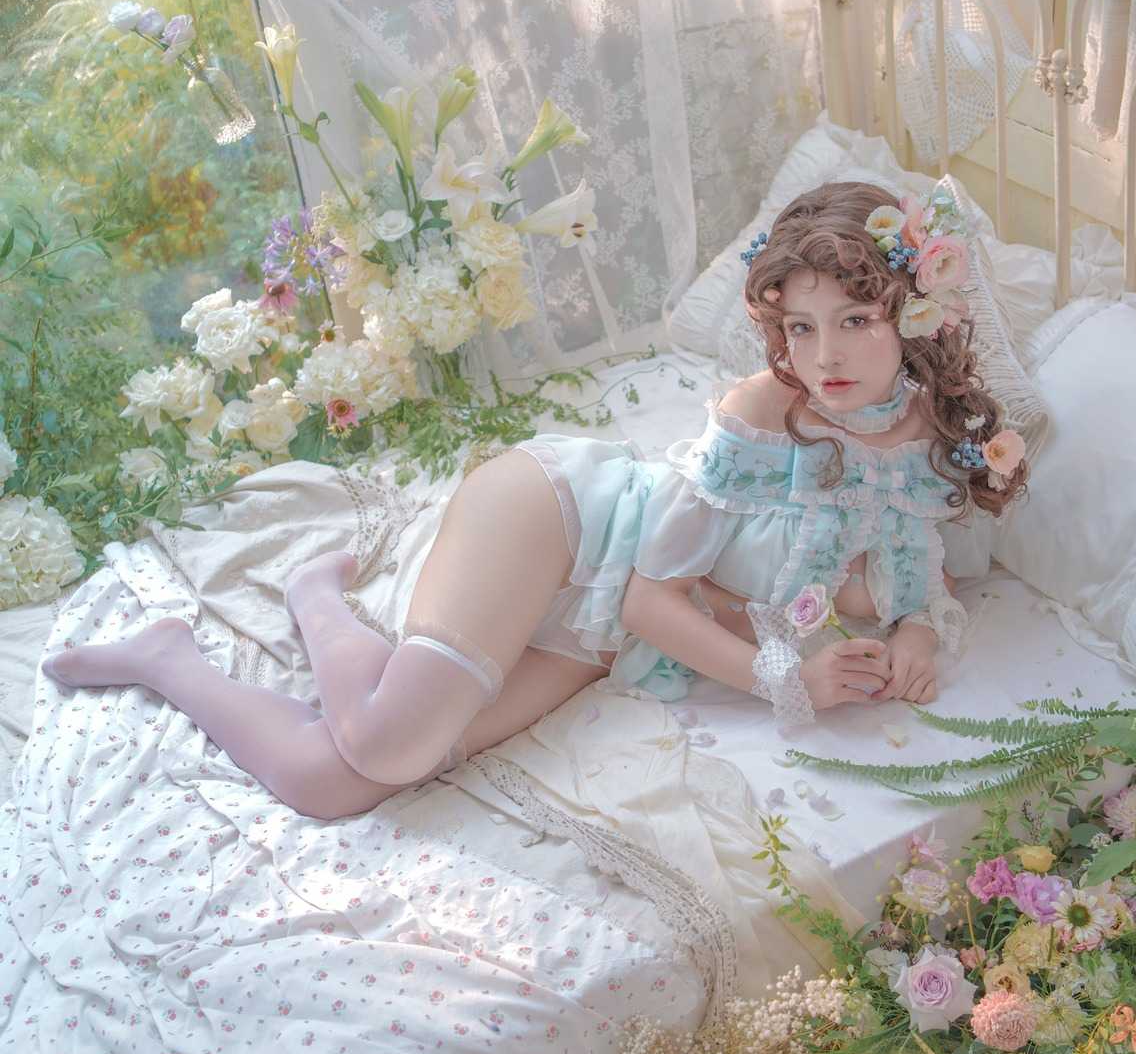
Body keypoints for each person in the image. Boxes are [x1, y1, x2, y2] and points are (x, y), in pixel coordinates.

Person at [44, 180, 1026, 822]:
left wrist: (915, 633)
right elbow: (651, 596)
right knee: (388, 740)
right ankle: (319, 601)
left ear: (912, 313)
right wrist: (787, 680)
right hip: (563, 519)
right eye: (800, 326)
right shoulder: (765, 410)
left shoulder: (924, 436)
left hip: (601, 636)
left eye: (854, 320)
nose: (824, 355)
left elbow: (909, 570)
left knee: (335, 783)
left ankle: (181, 655)